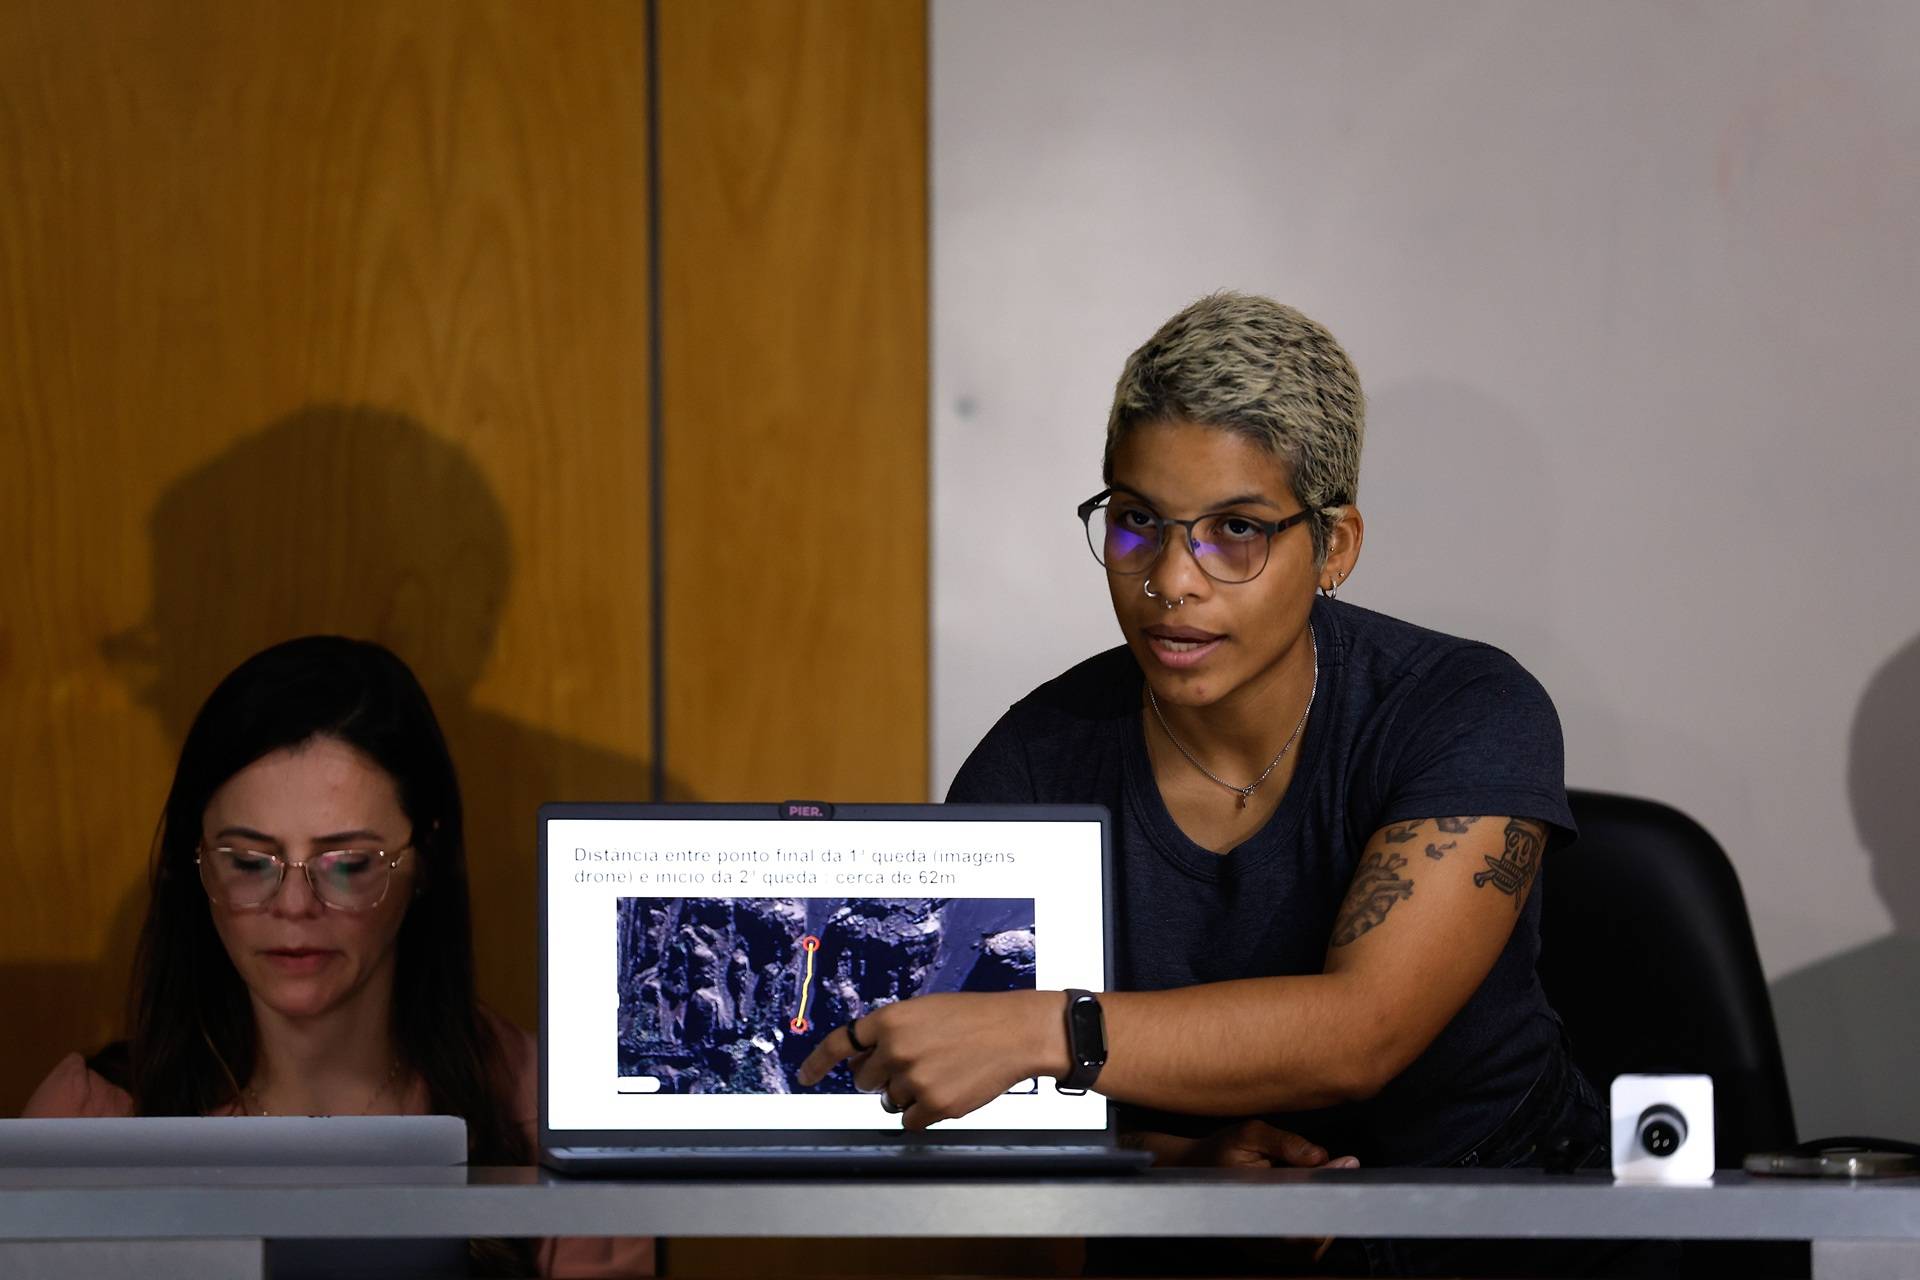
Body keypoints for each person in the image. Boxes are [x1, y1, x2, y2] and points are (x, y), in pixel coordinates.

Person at [800, 293, 1639, 1276]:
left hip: (1498, 1218)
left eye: (1235, 528)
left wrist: (1049, 1027)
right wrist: (1176, 1164)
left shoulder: (1465, 708)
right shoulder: (1035, 759)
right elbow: (983, 1093)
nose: (1172, 579)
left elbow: (1362, 1032)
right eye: (1136, 521)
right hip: (1197, 1231)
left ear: (1334, 546)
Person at [23, 635, 650, 1279]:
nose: (295, 906)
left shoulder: (552, 1117)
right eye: (249, 863)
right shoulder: (90, 1125)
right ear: (197, 863)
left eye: (348, 864)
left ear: (425, 860)